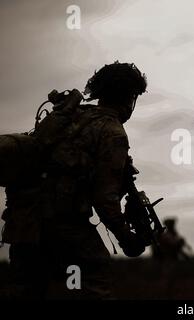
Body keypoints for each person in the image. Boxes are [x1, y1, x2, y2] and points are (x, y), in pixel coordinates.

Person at [1, 61, 148, 299]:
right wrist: (127, 238)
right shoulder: (112, 132)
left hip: (24, 221)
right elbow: (105, 200)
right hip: (64, 223)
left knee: (24, 288)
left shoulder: (70, 115)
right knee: (97, 275)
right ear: (129, 97)